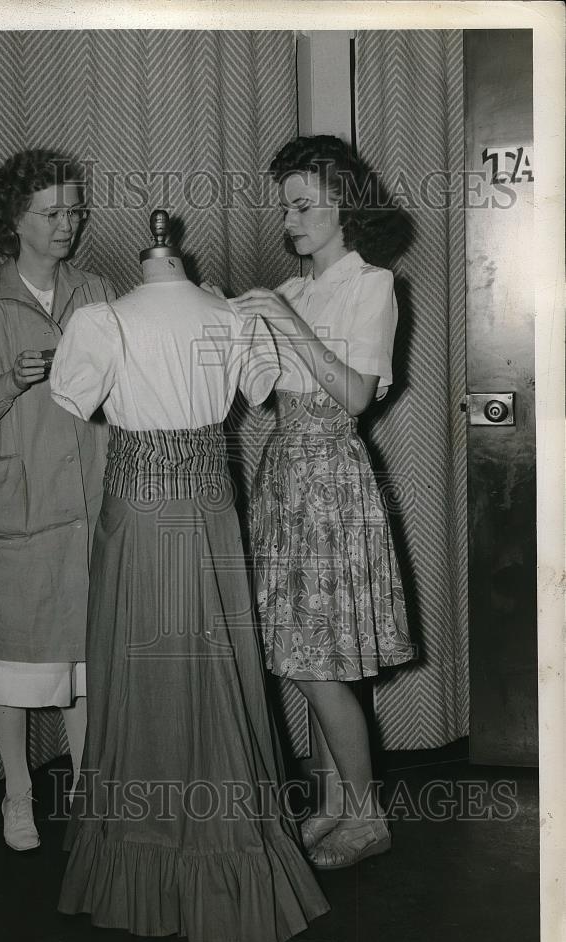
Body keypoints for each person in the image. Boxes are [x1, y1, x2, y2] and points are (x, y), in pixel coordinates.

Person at [48, 217, 329, 942]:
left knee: (157, 674)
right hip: (204, 505)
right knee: (206, 672)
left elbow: (74, 400)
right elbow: (261, 391)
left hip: (143, 512)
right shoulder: (223, 316)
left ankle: (160, 866)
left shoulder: (104, 321)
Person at [231, 135, 415, 870]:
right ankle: (336, 803)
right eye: (285, 206)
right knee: (301, 651)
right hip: (284, 476)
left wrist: (285, 323)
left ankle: (366, 818)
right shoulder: (291, 291)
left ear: (343, 205)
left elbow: (353, 394)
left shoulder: (372, 285)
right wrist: (232, 326)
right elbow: (253, 392)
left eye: (303, 205)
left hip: (332, 476)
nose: (290, 220)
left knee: (319, 661)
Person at [0, 149, 116, 851]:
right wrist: (9, 380)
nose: (67, 224)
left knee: (82, 664)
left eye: (74, 210)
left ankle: (90, 789)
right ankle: (16, 794)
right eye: (51, 213)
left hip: (91, 503)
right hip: (12, 512)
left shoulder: (98, 293)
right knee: (10, 663)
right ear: (13, 222)